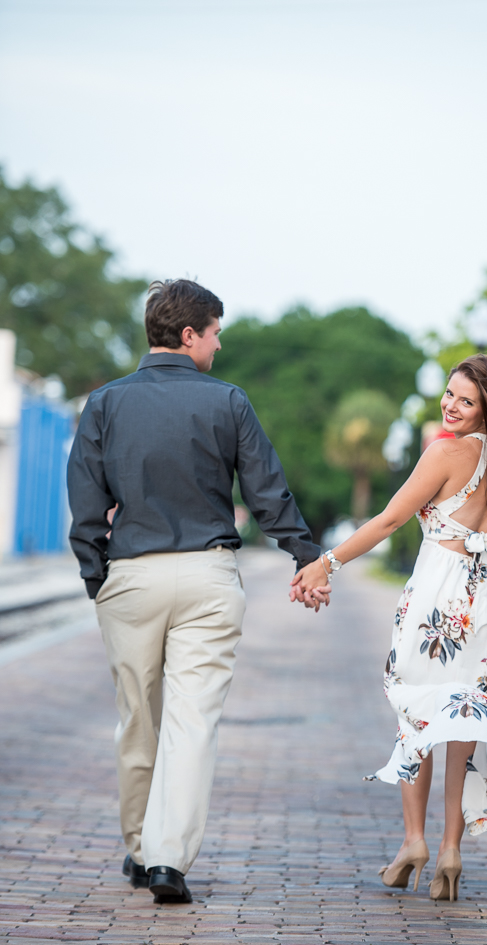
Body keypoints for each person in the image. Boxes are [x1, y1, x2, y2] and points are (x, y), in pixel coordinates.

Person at [67, 279, 325, 904]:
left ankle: (139, 846)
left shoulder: (103, 404)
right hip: (209, 578)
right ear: (189, 335)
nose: (218, 344)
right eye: (214, 333)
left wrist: (96, 575)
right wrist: (308, 556)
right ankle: (168, 861)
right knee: (192, 722)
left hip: (130, 576)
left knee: (139, 719)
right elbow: (267, 491)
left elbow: (84, 501)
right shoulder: (229, 401)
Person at [291, 355, 487, 901]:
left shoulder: (445, 451)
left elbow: (389, 520)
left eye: (465, 400)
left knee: (418, 709)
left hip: (441, 595)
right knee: (464, 718)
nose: (450, 406)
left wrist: (325, 563)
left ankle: (413, 841)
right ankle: (451, 849)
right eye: (449, 394)